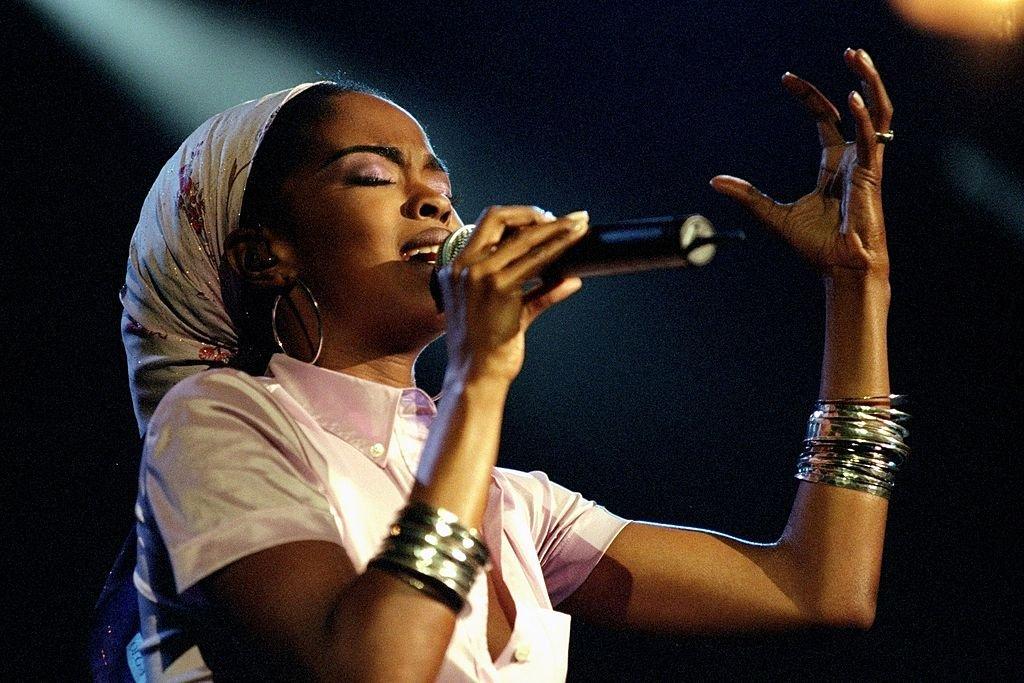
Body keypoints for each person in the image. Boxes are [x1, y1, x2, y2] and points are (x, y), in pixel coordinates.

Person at [118, 47, 906, 681]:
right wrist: (479, 375)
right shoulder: (212, 421)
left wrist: (856, 285)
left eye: (440, 186)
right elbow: (370, 667)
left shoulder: (513, 504)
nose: (432, 203)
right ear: (265, 256)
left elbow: (817, 587)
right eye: (372, 175)